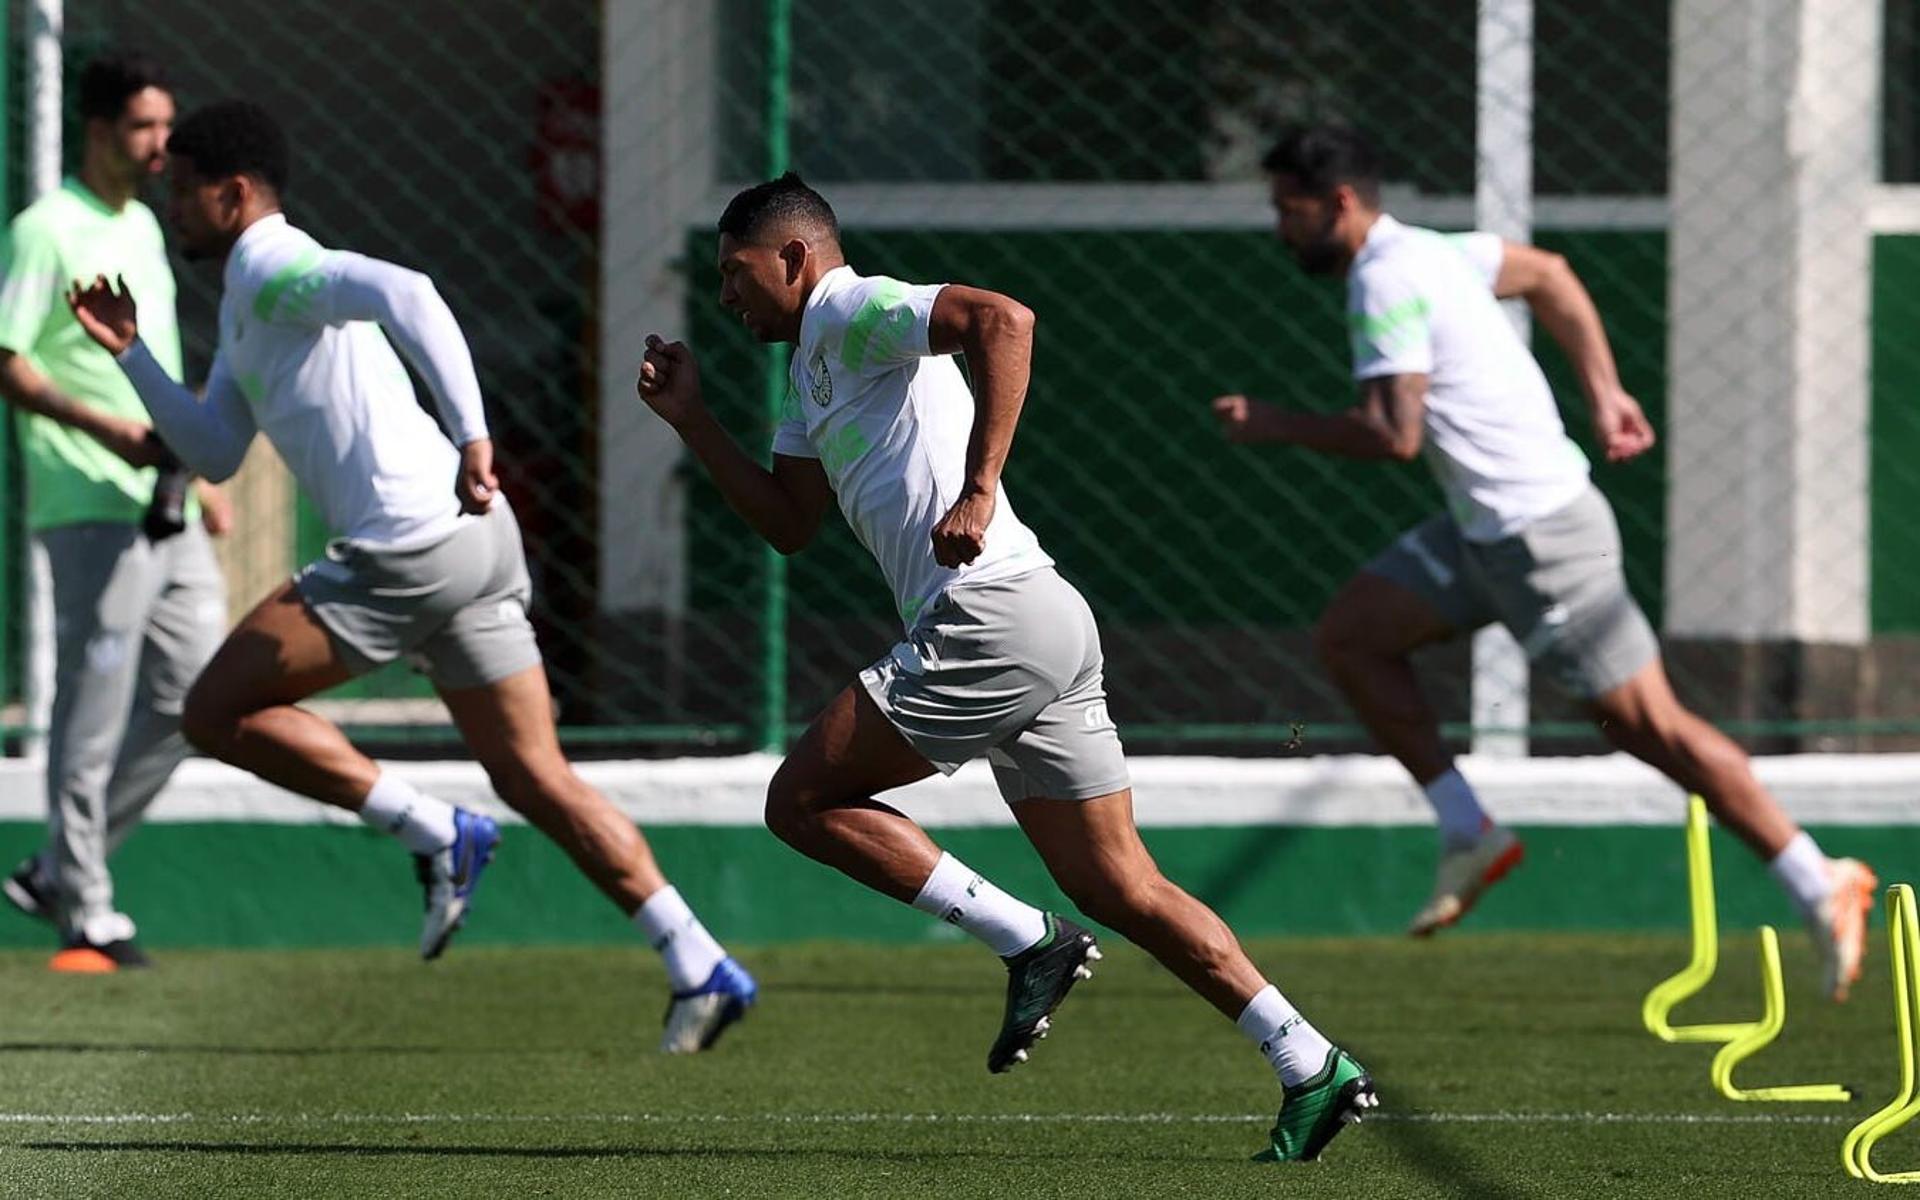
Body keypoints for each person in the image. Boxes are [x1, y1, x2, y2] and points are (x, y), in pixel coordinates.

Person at [636, 172, 1377, 1161]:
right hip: (1042, 621)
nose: (726, 297)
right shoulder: (809, 368)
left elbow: (1003, 319)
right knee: (1122, 886)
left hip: (986, 619)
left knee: (800, 803)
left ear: (795, 259)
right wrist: (692, 421)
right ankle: (1311, 1064)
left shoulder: (851, 306)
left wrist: (980, 488)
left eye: (736, 274)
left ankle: (1028, 939)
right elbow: (787, 523)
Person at [66, 100, 754, 1052]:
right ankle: (699, 962)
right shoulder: (242, 295)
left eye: (182, 192)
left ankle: (433, 828)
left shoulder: (270, 262)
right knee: (537, 778)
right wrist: (134, 354)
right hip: (473, 544)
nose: (168, 206)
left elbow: (412, 292)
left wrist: (475, 432)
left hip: (409, 546)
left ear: (232, 195)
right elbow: (216, 450)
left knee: (212, 712)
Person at [1210, 125, 1876, 1001]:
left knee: (1652, 728)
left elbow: (1393, 435)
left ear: (1339, 204)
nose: (1280, 229)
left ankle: (1816, 877)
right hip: (1483, 533)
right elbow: (1550, 274)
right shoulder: (1437, 252)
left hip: (1544, 539)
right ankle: (1469, 830)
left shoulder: (1384, 280)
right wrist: (1605, 392)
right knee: (1355, 636)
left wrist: (1273, 423)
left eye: (1288, 212)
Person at [0, 52, 232, 971]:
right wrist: (110, 434)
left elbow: (160, 365)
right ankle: (87, 908)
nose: (160, 146)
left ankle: (62, 865)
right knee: (92, 710)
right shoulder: (44, 230)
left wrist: (201, 477)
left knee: (197, 695)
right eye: (144, 127)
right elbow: (9, 359)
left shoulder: (144, 225)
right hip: (89, 499)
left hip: (167, 498)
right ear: (99, 130)